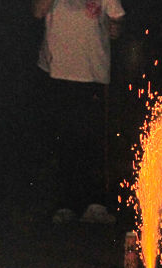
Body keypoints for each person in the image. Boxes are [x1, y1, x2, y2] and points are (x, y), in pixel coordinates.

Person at [32, 0, 125, 224]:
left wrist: (116, 29)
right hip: (58, 70)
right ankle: (66, 204)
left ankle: (95, 203)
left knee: (92, 140)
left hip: (93, 70)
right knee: (65, 139)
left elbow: (117, 16)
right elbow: (38, 11)